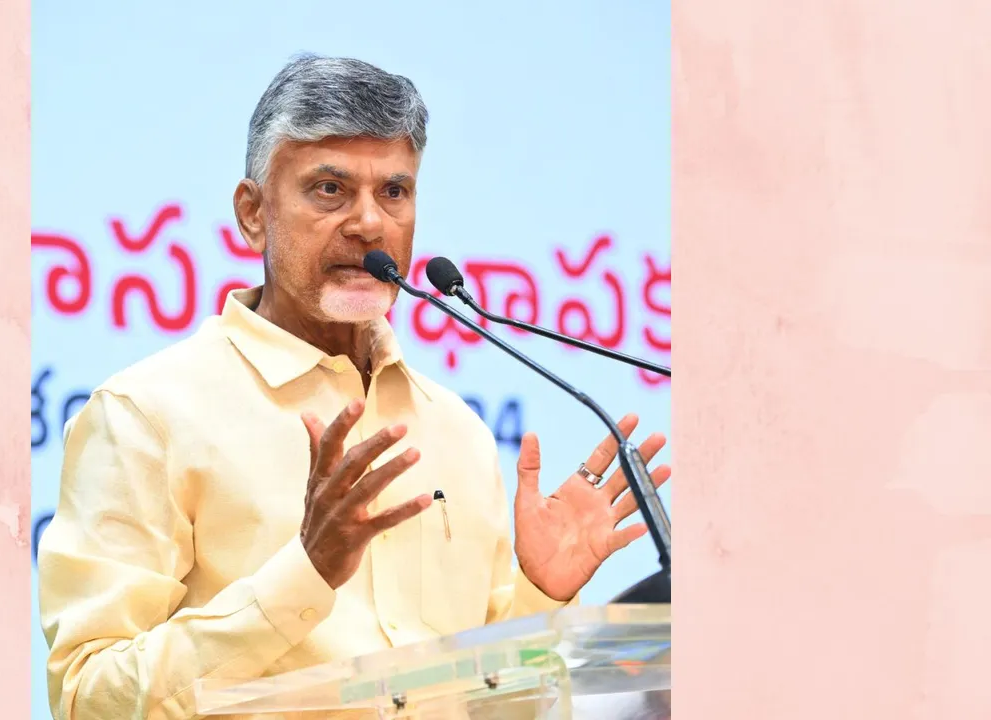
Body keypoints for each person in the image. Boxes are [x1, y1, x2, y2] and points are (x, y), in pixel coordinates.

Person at [37, 54, 671, 720]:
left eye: (394, 191)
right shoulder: (147, 415)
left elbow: (494, 707)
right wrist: (302, 575)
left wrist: (539, 596)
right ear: (253, 214)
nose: (371, 223)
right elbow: (87, 698)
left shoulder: (458, 433)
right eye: (330, 189)